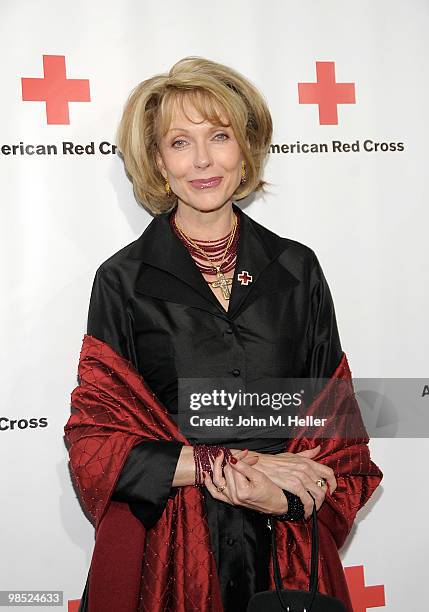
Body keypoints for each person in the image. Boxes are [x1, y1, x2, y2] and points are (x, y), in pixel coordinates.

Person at [65, 56, 383, 612]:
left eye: (220, 136)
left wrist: (283, 499)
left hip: (286, 549)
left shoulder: (297, 269)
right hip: (171, 557)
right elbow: (97, 445)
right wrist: (230, 467)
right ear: (159, 161)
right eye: (180, 142)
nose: (203, 160)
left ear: (246, 150)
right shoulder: (122, 281)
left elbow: (341, 439)